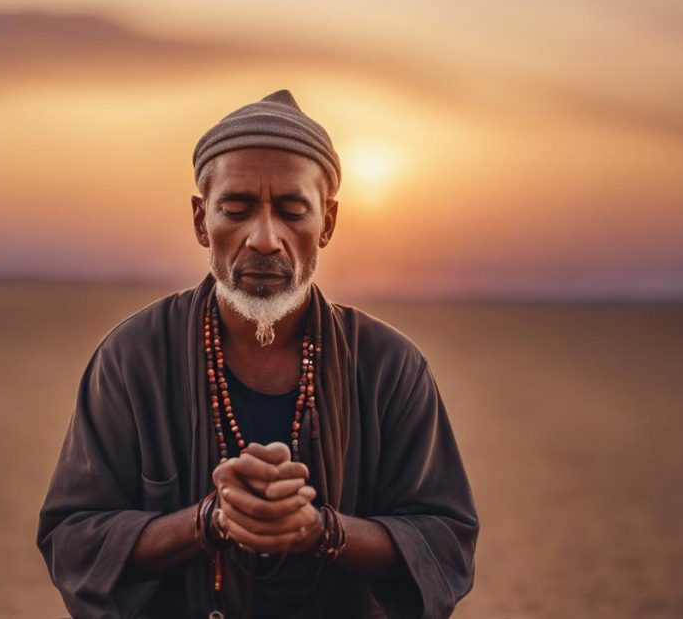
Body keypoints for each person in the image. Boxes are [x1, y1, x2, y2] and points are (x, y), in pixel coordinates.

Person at [37, 90, 479, 618]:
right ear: (201, 220)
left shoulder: (389, 367)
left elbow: (444, 543)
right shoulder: (134, 359)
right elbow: (73, 538)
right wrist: (210, 520)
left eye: (292, 212)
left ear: (327, 223)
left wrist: (322, 530)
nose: (264, 239)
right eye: (236, 209)